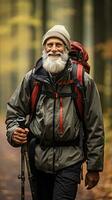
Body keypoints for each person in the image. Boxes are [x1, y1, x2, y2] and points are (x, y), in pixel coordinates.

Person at [5, 25, 104, 200]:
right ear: (44, 49)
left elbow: (94, 125)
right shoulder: (33, 78)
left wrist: (94, 166)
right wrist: (13, 132)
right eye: (49, 44)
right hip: (38, 158)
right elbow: (14, 110)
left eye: (58, 44)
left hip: (71, 158)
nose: (53, 49)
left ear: (66, 48)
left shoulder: (82, 81)